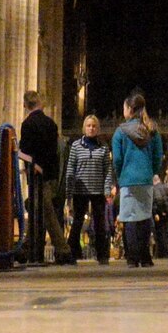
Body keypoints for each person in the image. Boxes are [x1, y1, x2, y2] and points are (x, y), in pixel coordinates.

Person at [110, 92, 165, 267]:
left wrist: (121, 176)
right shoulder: (152, 130)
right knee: (144, 218)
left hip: (128, 179)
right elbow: (158, 156)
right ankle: (145, 258)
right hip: (146, 179)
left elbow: (117, 159)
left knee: (129, 219)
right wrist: (151, 171)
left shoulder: (120, 132)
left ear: (129, 109)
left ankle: (132, 259)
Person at [17, 91, 69, 265]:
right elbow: (55, 152)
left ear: (25, 105)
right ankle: (29, 247)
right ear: (41, 103)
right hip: (51, 175)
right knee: (36, 209)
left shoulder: (27, 124)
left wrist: (34, 164)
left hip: (36, 175)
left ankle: (63, 250)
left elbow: (23, 152)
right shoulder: (51, 124)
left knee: (46, 212)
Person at [61, 114, 113, 265]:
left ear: (98, 128)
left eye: (94, 126)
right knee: (77, 222)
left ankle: (102, 254)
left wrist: (107, 188)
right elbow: (71, 168)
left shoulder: (103, 147)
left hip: (97, 190)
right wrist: (68, 193)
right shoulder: (76, 146)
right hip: (80, 189)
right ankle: (72, 252)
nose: (91, 128)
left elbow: (107, 170)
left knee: (99, 223)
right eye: (89, 126)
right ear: (84, 128)